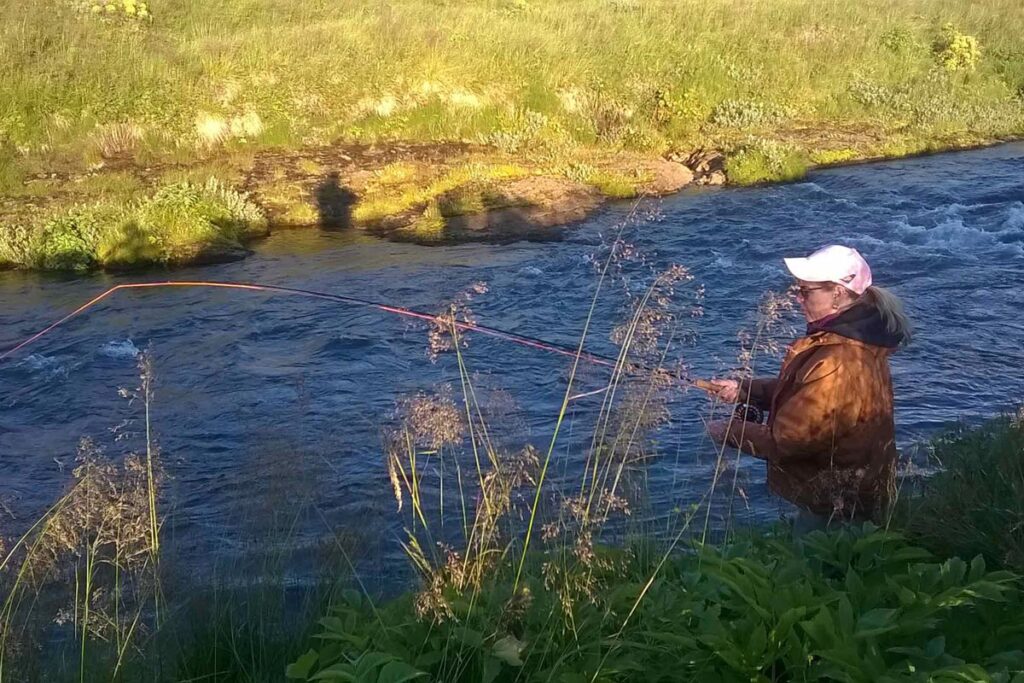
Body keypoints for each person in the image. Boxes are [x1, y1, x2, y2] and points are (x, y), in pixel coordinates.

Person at [706, 245, 912, 528]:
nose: (798, 299)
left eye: (806, 292)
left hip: (833, 507)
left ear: (837, 293)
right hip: (852, 496)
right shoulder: (859, 339)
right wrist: (746, 390)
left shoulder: (837, 358)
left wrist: (726, 430)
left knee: (821, 567)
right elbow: (812, 394)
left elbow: (788, 441)